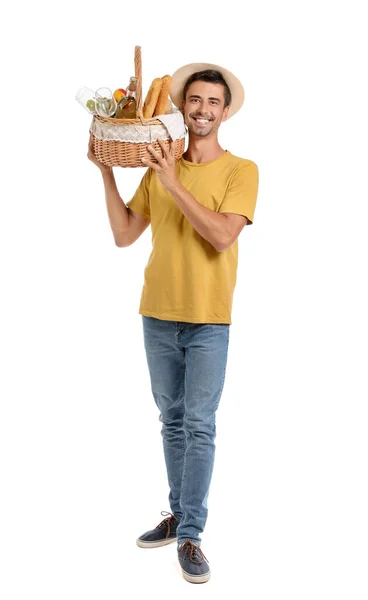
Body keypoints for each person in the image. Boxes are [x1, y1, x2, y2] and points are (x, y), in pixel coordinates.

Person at [87, 62, 259, 584]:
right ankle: (177, 514)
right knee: (171, 420)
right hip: (157, 314)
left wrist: (172, 181)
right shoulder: (156, 164)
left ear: (224, 112)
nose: (202, 110)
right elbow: (123, 235)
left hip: (209, 319)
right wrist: (106, 173)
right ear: (183, 108)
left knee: (199, 425)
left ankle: (191, 535)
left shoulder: (241, 170)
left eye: (213, 102)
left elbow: (222, 236)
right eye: (195, 101)